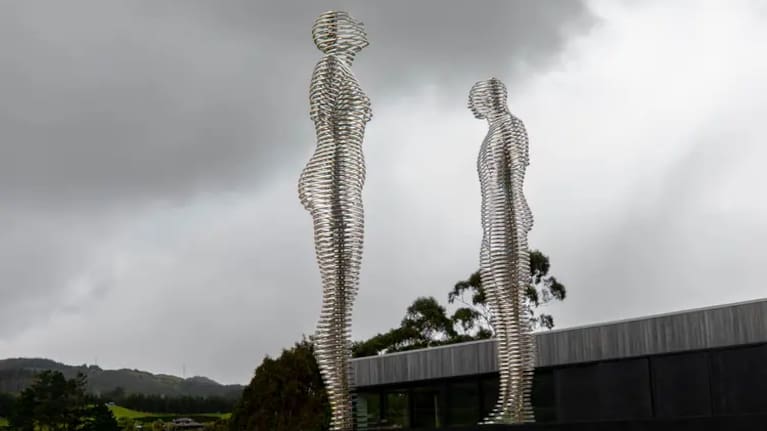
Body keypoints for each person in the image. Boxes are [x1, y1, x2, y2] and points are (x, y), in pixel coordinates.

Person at [298, 11, 372, 431]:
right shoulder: (329, 67)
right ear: (336, 34)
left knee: (343, 299)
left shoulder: (338, 69)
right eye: (353, 24)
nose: (363, 30)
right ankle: (341, 415)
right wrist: (332, 195)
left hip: (341, 185)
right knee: (337, 301)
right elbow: (329, 132)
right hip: (336, 186)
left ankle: (342, 414)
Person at [469, 77, 535, 424]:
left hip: (506, 226)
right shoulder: (492, 133)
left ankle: (518, 401)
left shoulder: (511, 127)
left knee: (512, 315)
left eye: (476, 98)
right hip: (491, 228)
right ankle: (507, 397)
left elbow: (515, 178)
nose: (473, 105)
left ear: (491, 98)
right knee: (500, 314)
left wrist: (514, 227)